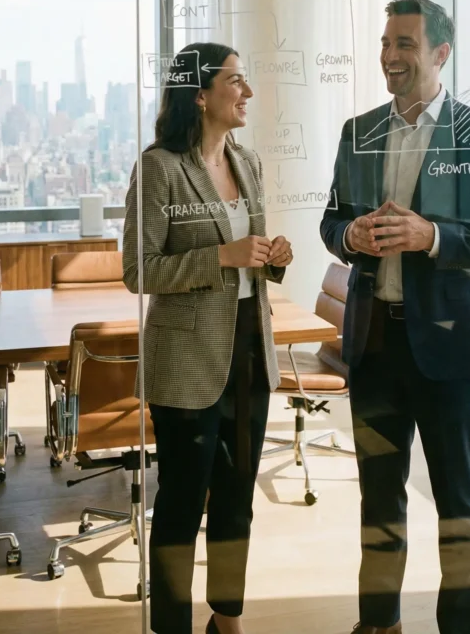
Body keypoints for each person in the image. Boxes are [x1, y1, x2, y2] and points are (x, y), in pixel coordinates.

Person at [320, 0, 470, 634]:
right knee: (378, 500)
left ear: (440, 54)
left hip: (449, 352)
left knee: (458, 504)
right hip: (375, 346)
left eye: (404, 44)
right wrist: (349, 236)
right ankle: (379, 624)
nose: (389, 56)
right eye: (385, 43)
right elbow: (331, 221)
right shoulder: (359, 132)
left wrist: (431, 236)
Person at [123, 42, 293, 634]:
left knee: (236, 498)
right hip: (188, 362)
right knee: (179, 507)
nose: (246, 92)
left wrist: (274, 258)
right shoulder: (159, 167)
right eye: (235, 82)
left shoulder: (249, 164)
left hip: (250, 351)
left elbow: (255, 255)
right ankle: (170, 625)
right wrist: (219, 256)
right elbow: (138, 270)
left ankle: (227, 618)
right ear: (200, 95)